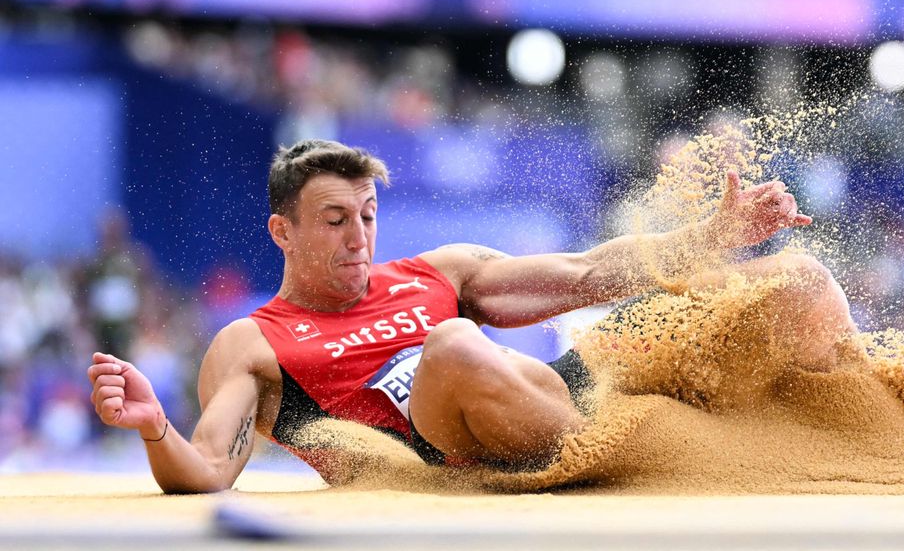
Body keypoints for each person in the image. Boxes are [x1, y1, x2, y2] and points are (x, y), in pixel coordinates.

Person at [87, 139, 856, 493]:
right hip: (449, 452)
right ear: (281, 231)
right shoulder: (251, 342)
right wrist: (156, 428)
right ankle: (665, 451)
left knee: (796, 279)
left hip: (547, 398)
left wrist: (712, 236)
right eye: (334, 220)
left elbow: (585, 275)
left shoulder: (437, 271)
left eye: (368, 212)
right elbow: (211, 470)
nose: (360, 236)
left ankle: (889, 434)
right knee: (451, 343)